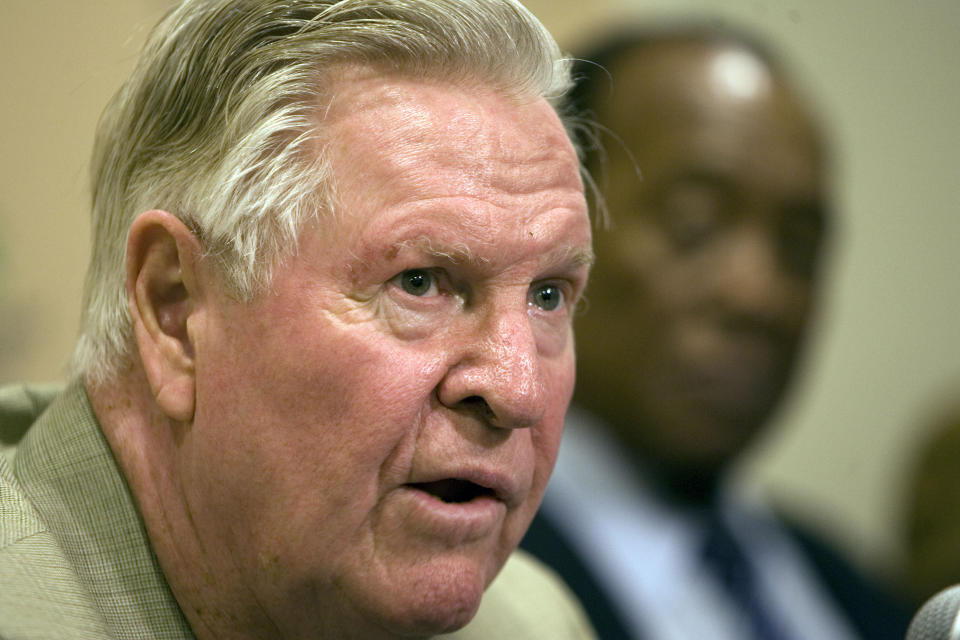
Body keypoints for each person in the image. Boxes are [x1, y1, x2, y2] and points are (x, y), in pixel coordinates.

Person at [0, 1, 598, 638]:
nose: (520, 390)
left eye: (548, 296)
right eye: (419, 283)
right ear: (176, 311)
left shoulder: (532, 624)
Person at [520, 25, 911, 640]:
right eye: (693, 223)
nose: (759, 295)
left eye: (800, 247)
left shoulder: (856, 587)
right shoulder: (465, 579)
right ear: (554, 231)